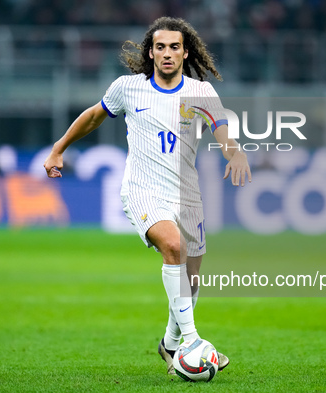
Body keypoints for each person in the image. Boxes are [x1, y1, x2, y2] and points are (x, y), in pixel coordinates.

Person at [43, 16, 251, 375]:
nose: (167, 53)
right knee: (173, 248)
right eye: (160, 47)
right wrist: (60, 147)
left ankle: (170, 343)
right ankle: (193, 341)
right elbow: (94, 116)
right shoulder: (129, 88)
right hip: (142, 190)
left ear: (186, 53)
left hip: (186, 195)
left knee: (193, 277)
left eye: (174, 47)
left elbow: (222, 132)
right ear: (150, 52)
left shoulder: (201, 93)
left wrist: (236, 153)